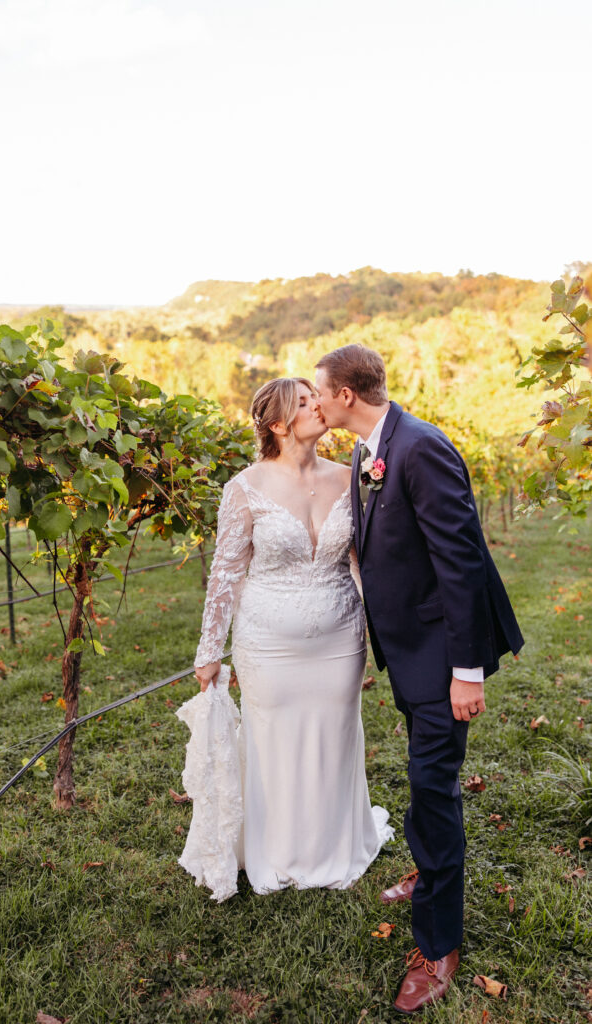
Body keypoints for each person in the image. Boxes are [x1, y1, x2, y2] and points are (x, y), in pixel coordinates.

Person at [314, 344, 524, 1015]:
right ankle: (426, 868)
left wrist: (466, 672)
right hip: (405, 650)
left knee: (433, 790)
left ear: (346, 394)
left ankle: (438, 943)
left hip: (441, 658)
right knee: (422, 777)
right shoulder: (366, 450)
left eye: (318, 392)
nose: (313, 403)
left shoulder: (420, 447)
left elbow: (459, 564)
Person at [191, 377, 393, 895]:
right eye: (303, 403)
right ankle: (276, 851)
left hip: (340, 638)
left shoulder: (351, 477)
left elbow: (363, 561)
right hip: (268, 643)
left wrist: (392, 625)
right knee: (273, 739)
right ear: (278, 424)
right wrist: (210, 650)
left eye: (314, 397)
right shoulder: (244, 489)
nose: (317, 405)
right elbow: (225, 574)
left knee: (335, 736)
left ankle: (334, 845)